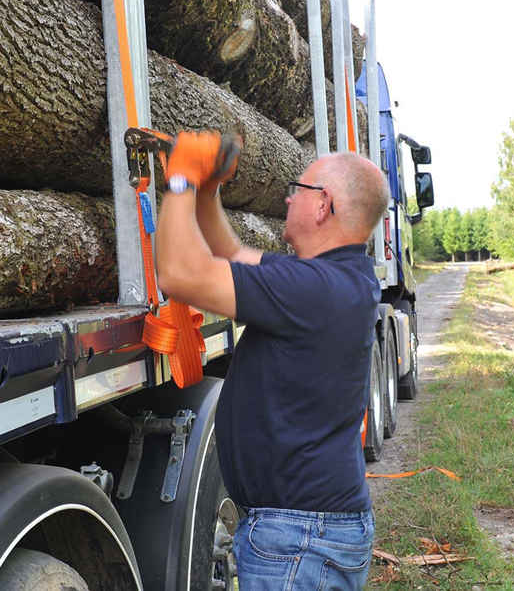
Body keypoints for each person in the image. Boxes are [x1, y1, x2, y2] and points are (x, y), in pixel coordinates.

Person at [155, 130, 390, 591]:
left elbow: (179, 273)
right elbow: (233, 256)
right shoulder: (337, 278)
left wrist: (180, 180)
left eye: (297, 191)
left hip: (300, 539)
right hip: (304, 532)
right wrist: (206, 192)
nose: (286, 200)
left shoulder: (313, 289)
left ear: (323, 205)